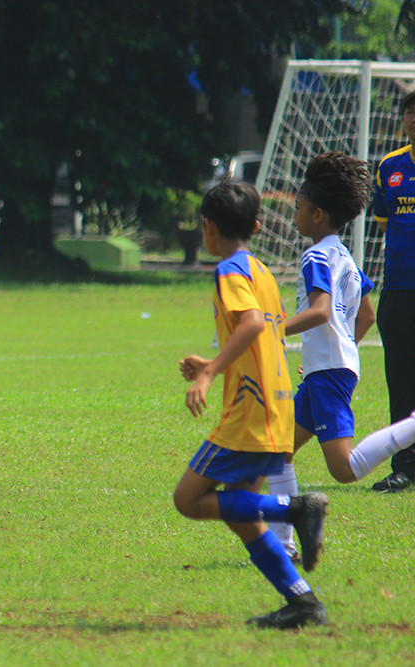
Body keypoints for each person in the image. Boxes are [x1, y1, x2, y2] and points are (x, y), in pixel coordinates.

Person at [173, 179, 329, 629]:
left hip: (249, 414)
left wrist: (209, 372)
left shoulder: (229, 271)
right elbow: (264, 334)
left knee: (188, 499)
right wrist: (214, 362)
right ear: (257, 226)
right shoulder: (260, 271)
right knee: (241, 513)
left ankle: (295, 509)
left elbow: (253, 324)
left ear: (208, 228)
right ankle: (303, 602)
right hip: (276, 406)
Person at [267, 152, 415, 557]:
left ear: (317, 214)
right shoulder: (344, 255)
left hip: (330, 370)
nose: (294, 214)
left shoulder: (315, 255)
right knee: (277, 451)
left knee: (345, 469)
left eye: (298, 207)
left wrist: (272, 329)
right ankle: (286, 545)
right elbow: (365, 315)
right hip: (329, 368)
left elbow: (319, 311)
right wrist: (331, 353)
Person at [370, 89, 415, 492]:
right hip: (398, 290)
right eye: (409, 113)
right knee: (401, 382)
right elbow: (384, 222)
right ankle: (405, 467)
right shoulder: (389, 166)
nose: (414, 119)